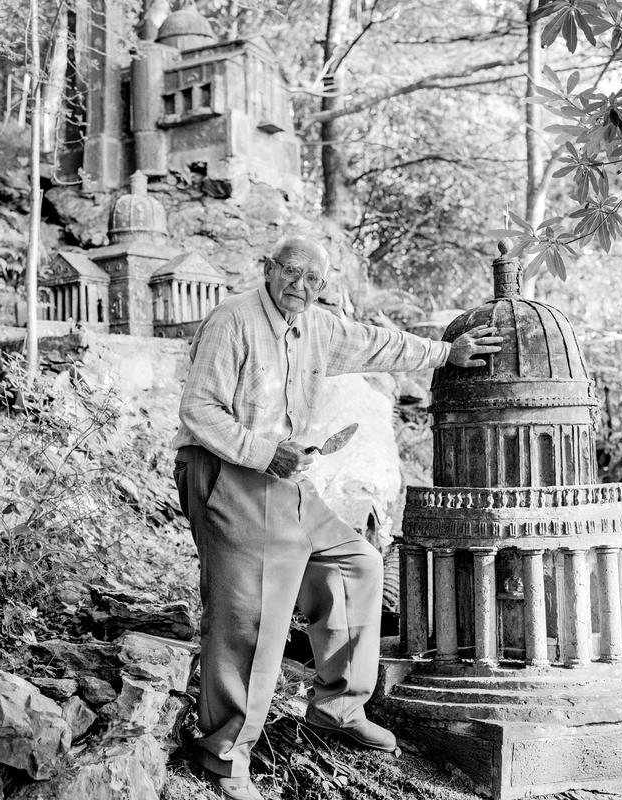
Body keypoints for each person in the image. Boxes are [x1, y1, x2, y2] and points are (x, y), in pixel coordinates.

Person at [172, 236, 502, 800]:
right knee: (253, 609)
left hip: (282, 475)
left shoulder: (318, 326)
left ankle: (337, 709)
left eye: (314, 279)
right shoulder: (233, 321)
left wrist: (447, 354)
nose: (301, 287)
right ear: (268, 269)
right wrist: (262, 452)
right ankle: (224, 753)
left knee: (357, 565)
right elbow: (199, 410)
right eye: (291, 273)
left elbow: (378, 344)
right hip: (224, 468)